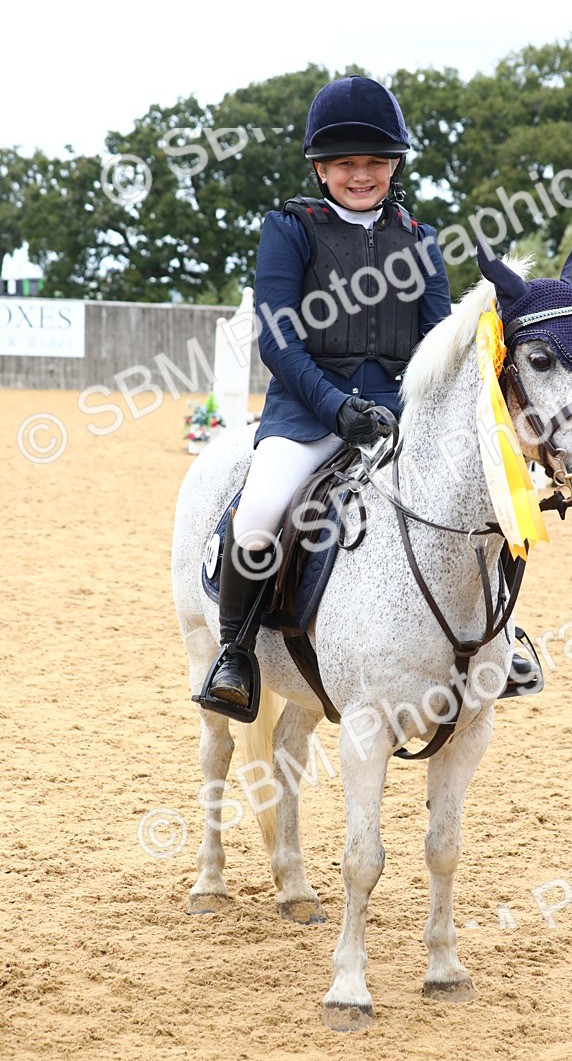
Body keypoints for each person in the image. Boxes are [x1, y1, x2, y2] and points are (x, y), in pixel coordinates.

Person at [203, 74, 540, 718]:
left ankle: (504, 636)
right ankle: (236, 652)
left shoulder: (419, 237)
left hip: (397, 416)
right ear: (322, 168)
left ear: (393, 166)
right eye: (347, 164)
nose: (362, 175)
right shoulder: (289, 228)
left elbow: (440, 342)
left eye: (376, 163)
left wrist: (406, 412)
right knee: (259, 514)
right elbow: (278, 340)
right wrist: (334, 408)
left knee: (483, 501)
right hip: (307, 412)